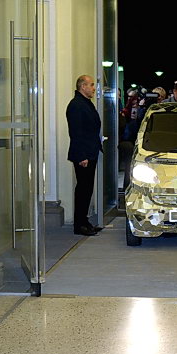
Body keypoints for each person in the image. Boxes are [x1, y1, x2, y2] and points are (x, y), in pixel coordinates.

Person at [66, 75, 103, 236]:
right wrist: (82, 156)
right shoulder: (76, 105)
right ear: (83, 86)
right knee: (83, 189)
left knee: (87, 189)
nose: (94, 88)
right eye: (91, 85)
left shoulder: (85, 103)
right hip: (83, 154)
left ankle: (84, 221)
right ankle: (79, 225)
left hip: (90, 152)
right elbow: (76, 132)